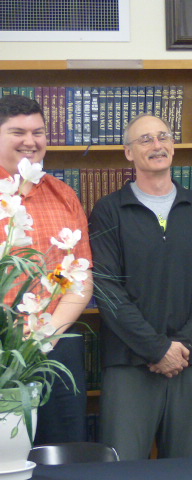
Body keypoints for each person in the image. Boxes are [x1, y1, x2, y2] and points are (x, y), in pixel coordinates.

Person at [89, 113, 192, 460]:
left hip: (190, 359)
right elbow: (107, 289)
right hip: (129, 361)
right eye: (145, 139)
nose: (157, 145)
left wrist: (183, 345)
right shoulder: (109, 211)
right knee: (123, 465)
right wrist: (156, 349)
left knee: (188, 467)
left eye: (163, 136)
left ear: (173, 146)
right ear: (128, 153)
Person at [0, 94, 93, 444]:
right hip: (3, 344)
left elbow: (81, 277)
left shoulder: (64, 194)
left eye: (38, 132)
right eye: (18, 132)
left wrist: (47, 333)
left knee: (63, 448)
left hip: (56, 342)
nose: (31, 141)